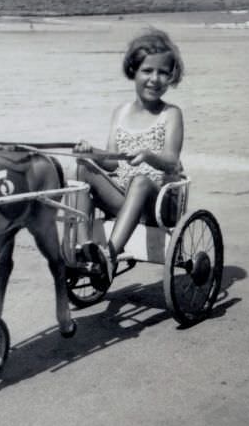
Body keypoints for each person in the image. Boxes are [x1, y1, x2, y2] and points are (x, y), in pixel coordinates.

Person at [72, 28, 185, 290]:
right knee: (82, 169)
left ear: (171, 76)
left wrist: (149, 156)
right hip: (125, 198)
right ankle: (84, 248)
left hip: (159, 203)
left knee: (141, 180)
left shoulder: (171, 114)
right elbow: (112, 162)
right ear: (133, 71)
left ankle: (110, 255)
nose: (155, 79)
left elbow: (172, 162)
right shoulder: (121, 113)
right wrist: (91, 153)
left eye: (163, 72)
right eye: (147, 71)